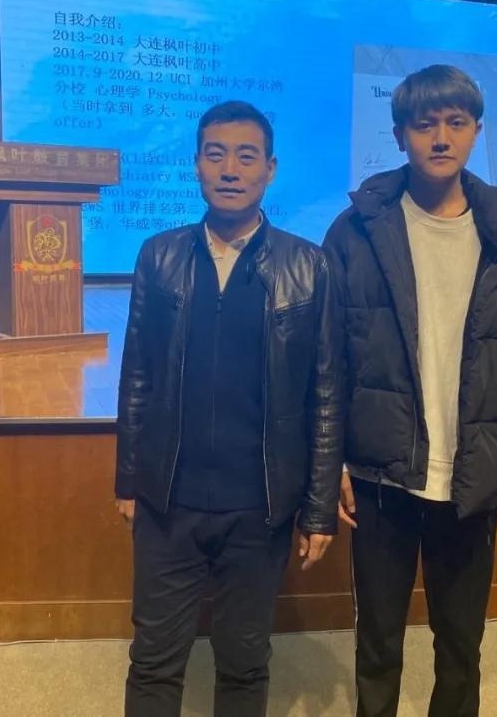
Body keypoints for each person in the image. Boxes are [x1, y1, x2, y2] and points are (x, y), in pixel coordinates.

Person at [323, 64, 497, 716]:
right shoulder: (355, 232)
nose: (441, 137)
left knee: (461, 645)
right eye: (424, 124)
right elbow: (329, 358)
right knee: (377, 642)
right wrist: (334, 464)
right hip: (381, 474)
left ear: (477, 131)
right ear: (399, 134)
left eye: (456, 122)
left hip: (476, 473)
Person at [115, 100, 344, 717]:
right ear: (196, 165)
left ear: (270, 168)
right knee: (154, 659)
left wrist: (318, 508)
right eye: (216, 155)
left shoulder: (307, 266)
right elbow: (137, 376)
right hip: (168, 501)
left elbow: (325, 395)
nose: (230, 169)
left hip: (258, 507)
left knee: (244, 662)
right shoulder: (159, 257)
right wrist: (129, 478)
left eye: (246, 156)